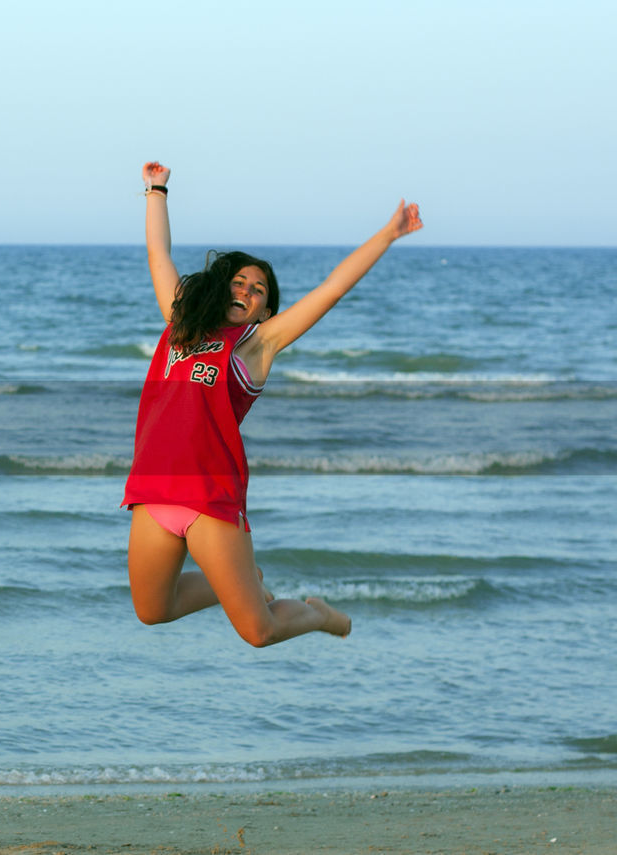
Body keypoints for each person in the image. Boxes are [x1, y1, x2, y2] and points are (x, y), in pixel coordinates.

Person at [124, 161, 422, 646]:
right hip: (153, 488)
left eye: (259, 289)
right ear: (222, 287)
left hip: (208, 499)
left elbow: (333, 288)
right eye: (239, 282)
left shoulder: (255, 346)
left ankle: (321, 617)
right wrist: (156, 190)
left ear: (266, 308)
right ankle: (247, 582)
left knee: (258, 632)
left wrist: (388, 234)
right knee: (152, 610)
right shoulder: (179, 324)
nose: (247, 291)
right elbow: (159, 256)